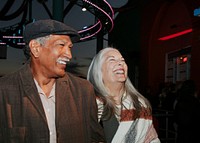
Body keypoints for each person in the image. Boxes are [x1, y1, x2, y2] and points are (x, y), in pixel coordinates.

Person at [0, 19, 105, 143]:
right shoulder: (4, 90)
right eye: (61, 45)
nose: (69, 55)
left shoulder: (83, 90)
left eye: (70, 47)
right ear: (36, 48)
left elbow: (95, 138)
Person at [87, 47, 160, 143]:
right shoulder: (89, 104)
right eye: (112, 60)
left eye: (122, 60)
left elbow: (152, 139)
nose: (120, 63)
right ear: (99, 70)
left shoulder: (140, 104)